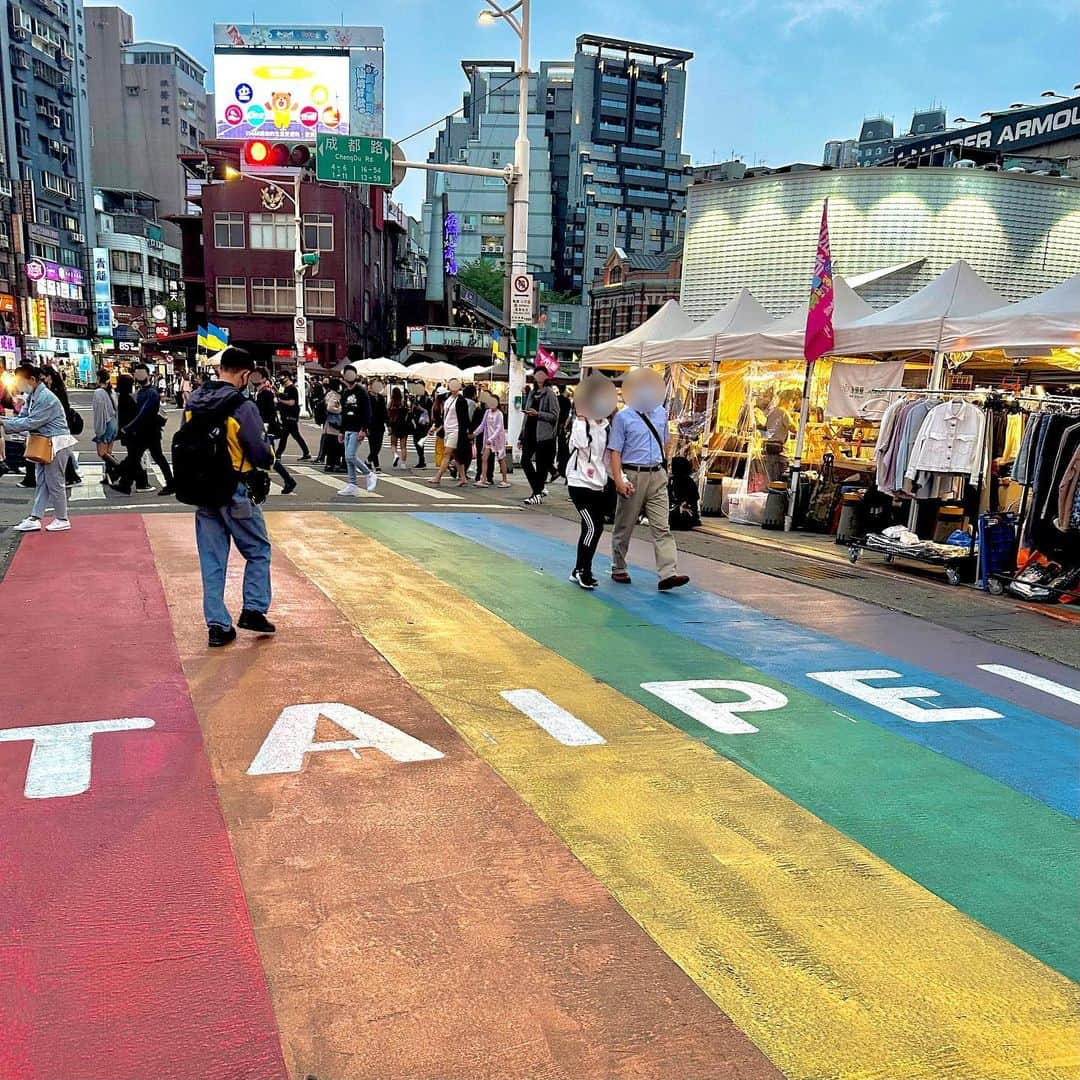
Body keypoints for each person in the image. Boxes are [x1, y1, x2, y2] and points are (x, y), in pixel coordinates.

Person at [178, 347, 276, 648]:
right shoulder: (242, 406)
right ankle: (253, 609)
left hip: (204, 492)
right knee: (258, 550)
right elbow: (261, 454)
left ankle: (218, 626)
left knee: (212, 560)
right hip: (235, 490)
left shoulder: (194, 401)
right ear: (245, 374)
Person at [608, 367, 689, 592]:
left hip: (657, 474)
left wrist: (666, 468)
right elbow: (614, 451)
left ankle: (668, 573)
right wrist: (619, 479)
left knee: (662, 526)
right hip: (633, 474)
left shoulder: (661, 413)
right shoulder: (623, 417)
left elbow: (665, 443)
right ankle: (618, 565)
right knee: (625, 524)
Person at [2, 364, 75, 533]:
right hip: (45, 442)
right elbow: (24, 417)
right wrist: (7, 422)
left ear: (32, 380)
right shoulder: (34, 395)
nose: (18, 387)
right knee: (42, 481)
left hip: (55, 443)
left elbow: (31, 422)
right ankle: (35, 517)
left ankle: (62, 518)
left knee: (54, 482)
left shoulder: (46, 398)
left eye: (20, 382)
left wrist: (5, 423)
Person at [566, 376, 616, 590]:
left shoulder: (606, 426)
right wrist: (581, 419)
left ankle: (578, 569)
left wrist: (620, 479)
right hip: (579, 484)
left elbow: (608, 458)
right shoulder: (581, 424)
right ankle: (583, 570)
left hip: (598, 484)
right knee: (592, 527)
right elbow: (580, 444)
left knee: (594, 527)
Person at [111, 361, 174, 496]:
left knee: (143, 457)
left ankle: (124, 482)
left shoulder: (151, 393)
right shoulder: (144, 392)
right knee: (138, 457)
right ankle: (125, 483)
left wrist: (128, 428)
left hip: (149, 432)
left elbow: (143, 414)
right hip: (145, 432)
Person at [248, 368, 297, 495]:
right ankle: (288, 480)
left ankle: (288, 480)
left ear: (264, 378)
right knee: (268, 458)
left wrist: (265, 429)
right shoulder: (258, 392)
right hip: (262, 430)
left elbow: (268, 413)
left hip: (265, 430)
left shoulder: (266, 393)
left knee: (269, 458)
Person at [518, 367, 560, 505]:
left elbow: (555, 415)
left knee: (541, 466)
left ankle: (536, 493)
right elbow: (525, 417)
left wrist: (538, 414)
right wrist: (521, 435)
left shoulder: (550, 393)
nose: (540, 376)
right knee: (525, 461)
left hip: (544, 435)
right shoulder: (532, 392)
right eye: (537, 374)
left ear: (547, 376)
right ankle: (538, 489)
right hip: (529, 432)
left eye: (542, 374)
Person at [40, 365, 82, 486]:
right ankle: (71, 475)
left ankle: (70, 476)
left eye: (43, 377)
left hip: (60, 425)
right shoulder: (56, 389)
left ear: (49, 376)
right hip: (62, 423)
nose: (42, 379)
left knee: (60, 450)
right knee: (63, 451)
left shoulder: (55, 391)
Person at [429, 378, 471, 487]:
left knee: (447, 453)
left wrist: (468, 431)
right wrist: (436, 426)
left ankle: (438, 477)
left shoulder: (461, 400)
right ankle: (463, 478)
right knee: (456, 455)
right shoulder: (448, 398)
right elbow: (444, 416)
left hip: (456, 430)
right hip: (447, 429)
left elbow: (465, 418)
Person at [339, 365, 373, 496]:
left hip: (357, 429)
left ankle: (369, 474)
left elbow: (367, 412)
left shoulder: (361, 391)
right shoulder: (345, 392)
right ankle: (352, 484)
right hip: (347, 428)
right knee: (348, 459)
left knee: (350, 455)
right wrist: (341, 431)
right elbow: (344, 412)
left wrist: (364, 429)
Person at [114, 373, 151, 491]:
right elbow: (134, 417)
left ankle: (129, 482)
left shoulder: (123, 397)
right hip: (132, 433)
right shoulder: (128, 399)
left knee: (134, 457)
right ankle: (120, 476)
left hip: (128, 432)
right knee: (134, 457)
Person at [474, 393, 510, 488]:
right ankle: (483, 479)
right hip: (488, 440)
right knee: (484, 458)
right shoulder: (487, 412)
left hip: (497, 440)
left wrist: (491, 438)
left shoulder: (499, 414)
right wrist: (474, 433)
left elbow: (499, 429)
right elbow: (482, 425)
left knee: (501, 459)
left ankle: (504, 480)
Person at [91, 368, 119, 482]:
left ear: (98, 379)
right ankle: (109, 476)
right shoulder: (111, 392)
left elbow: (99, 413)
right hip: (113, 423)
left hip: (105, 424)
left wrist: (98, 431)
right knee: (108, 452)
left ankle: (118, 468)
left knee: (102, 453)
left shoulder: (98, 393)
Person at [275, 373, 311, 461]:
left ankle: (278, 454)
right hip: (286, 416)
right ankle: (306, 453)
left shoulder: (293, 389)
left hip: (290, 417)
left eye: (282, 377)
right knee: (295, 435)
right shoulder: (285, 388)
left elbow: (292, 402)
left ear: (287, 378)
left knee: (285, 435)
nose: (281, 379)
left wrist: (280, 401)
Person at [667, 455, 702, 530]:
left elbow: (691, 501)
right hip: (678, 509)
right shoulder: (673, 480)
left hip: (685, 511)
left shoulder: (687, 482)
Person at [320, 378, 344, 472]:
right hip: (333, 424)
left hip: (329, 424)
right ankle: (334, 464)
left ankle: (330, 464)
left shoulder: (329, 394)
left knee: (331, 446)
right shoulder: (334, 395)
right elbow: (330, 408)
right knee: (335, 446)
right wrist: (340, 410)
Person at [366, 379, 387, 471]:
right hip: (370, 424)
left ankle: (368, 461)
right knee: (373, 445)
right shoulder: (366, 397)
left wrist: (388, 424)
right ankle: (376, 464)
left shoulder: (381, 398)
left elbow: (384, 412)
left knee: (378, 445)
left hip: (380, 424)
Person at [388, 385, 411, 468]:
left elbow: (388, 414)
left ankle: (395, 455)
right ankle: (403, 464)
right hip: (404, 425)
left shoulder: (391, 403)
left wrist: (389, 425)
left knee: (393, 444)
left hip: (394, 425)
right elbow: (409, 412)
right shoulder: (404, 403)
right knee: (403, 446)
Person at [555, 384, 573, 480]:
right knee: (564, 447)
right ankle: (563, 467)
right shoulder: (567, 401)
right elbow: (568, 414)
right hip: (564, 426)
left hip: (557, 425)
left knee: (560, 446)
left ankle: (560, 466)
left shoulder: (557, 399)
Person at [409, 393, 431, 468]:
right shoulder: (414, 398)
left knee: (420, 442)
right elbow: (412, 411)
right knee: (416, 442)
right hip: (415, 424)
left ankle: (422, 460)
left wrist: (421, 409)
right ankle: (421, 460)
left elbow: (429, 411)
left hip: (423, 424)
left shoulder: (426, 399)